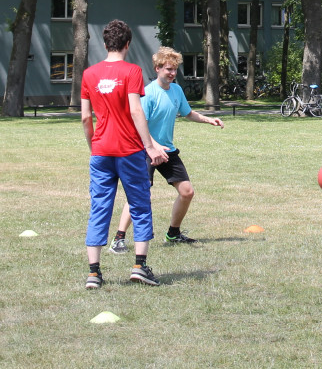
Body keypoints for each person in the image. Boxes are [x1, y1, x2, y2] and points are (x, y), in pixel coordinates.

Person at [109, 47, 224, 252]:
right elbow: (139, 123)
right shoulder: (148, 93)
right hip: (145, 149)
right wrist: (152, 145)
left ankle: (173, 233)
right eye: (168, 69)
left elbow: (188, 113)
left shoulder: (177, 90)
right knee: (139, 194)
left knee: (187, 192)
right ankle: (118, 239)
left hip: (167, 150)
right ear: (157, 68)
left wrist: (209, 119)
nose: (172, 73)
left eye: (174, 70)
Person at [81, 19, 168, 289]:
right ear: (127, 44)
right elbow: (135, 110)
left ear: (105, 43)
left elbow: (86, 118)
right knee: (140, 206)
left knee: (99, 209)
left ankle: (94, 273)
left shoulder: (88, 74)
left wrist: (93, 146)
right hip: (129, 151)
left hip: (101, 152)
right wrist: (150, 146)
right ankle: (139, 266)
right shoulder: (132, 71)